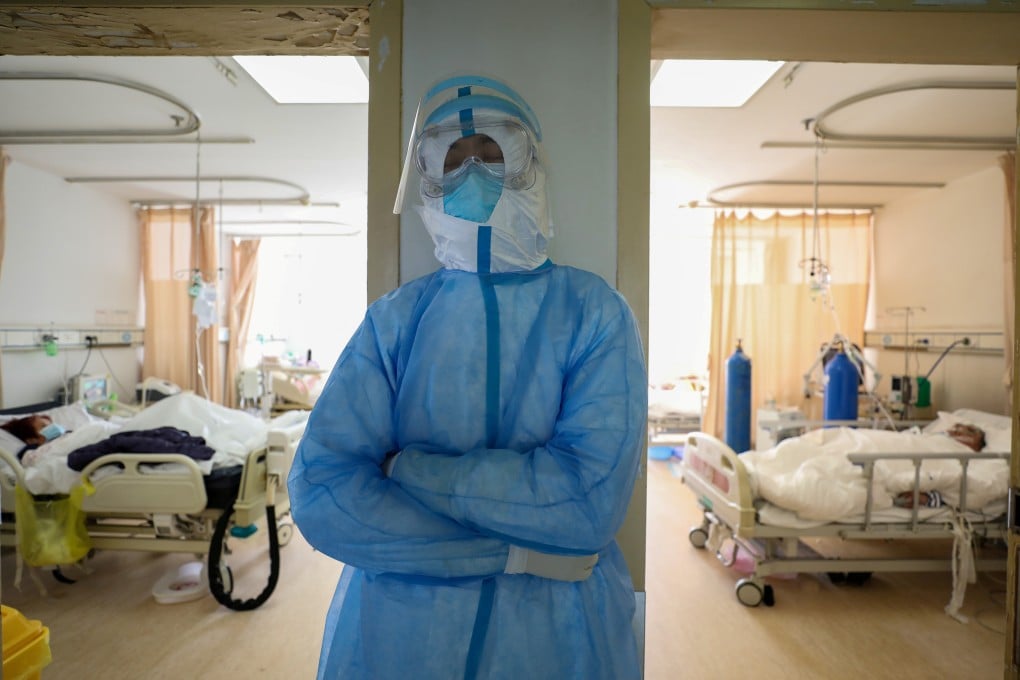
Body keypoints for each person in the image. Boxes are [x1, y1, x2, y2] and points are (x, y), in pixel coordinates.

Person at [288, 74, 646, 680]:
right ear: (428, 177)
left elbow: (586, 503)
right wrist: (514, 554)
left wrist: (405, 470)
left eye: (491, 153)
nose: (474, 173)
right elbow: (324, 495)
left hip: (557, 639)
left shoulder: (593, 310)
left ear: (529, 164)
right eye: (454, 159)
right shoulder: (396, 320)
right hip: (400, 639)